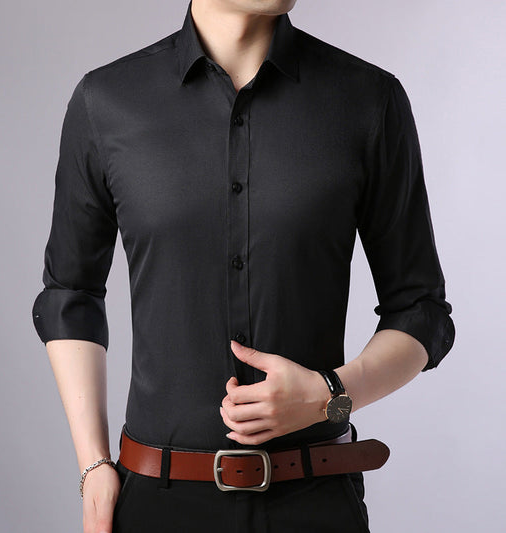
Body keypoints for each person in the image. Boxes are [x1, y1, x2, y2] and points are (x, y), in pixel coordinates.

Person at [31, 1, 455, 532]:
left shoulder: (369, 99)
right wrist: (93, 465)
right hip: (156, 505)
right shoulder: (107, 101)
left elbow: (420, 310)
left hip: (316, 502)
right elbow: (70, 295)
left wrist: (330, 396)